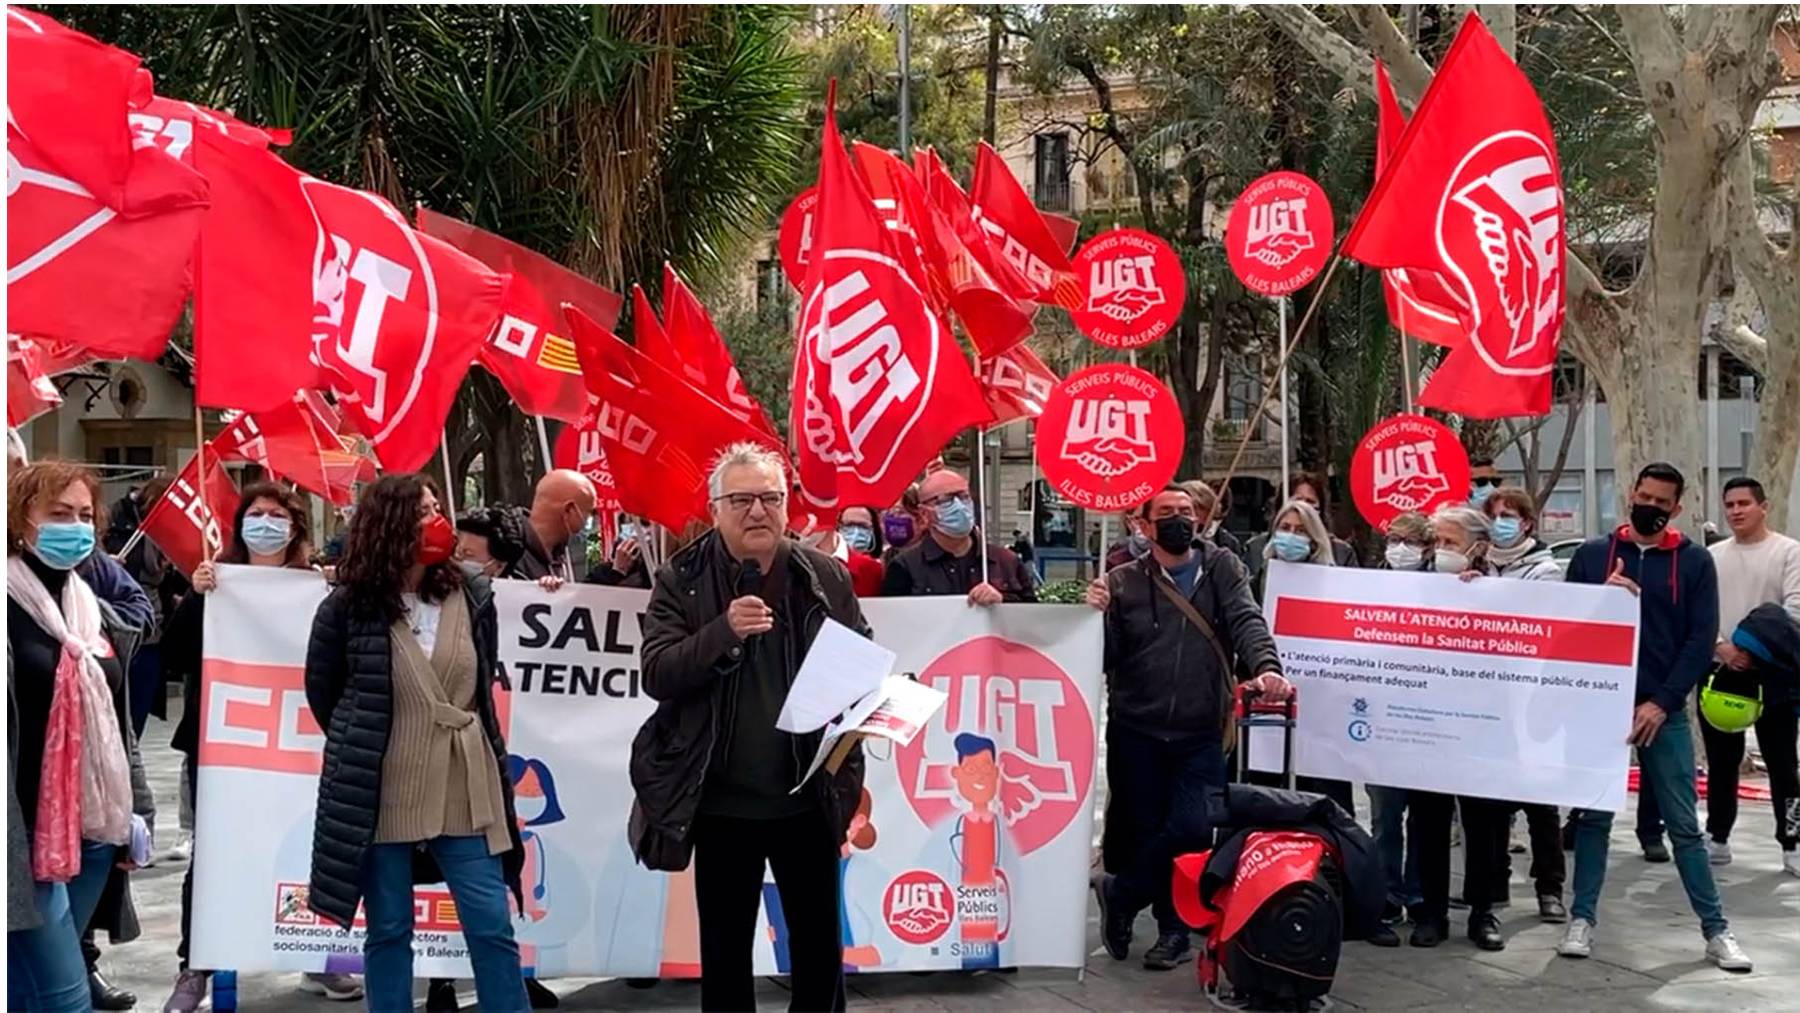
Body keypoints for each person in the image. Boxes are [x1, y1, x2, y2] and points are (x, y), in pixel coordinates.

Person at [633, 442, 870, 1012]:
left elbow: (860, 657)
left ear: (788, 507)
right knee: (726, 954)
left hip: (808, 799)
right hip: (720, 804)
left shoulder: (824, 576)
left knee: (818, 953)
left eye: (770, 498)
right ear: (714, 508)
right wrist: (722, 631)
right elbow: (658, 672)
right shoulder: (682, 577)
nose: (757, 511)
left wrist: (882, 698)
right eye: (741, 500)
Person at [304, 474, 530, 1012]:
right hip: (384, 792)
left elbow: (480, 681)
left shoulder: (472, 593)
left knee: (491, 924)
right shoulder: (346, 608)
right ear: (388, 527)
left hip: (465, 786)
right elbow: (326, 695)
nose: (436, 522)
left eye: (436, 508)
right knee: (389, 929)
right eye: (421, 513)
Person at [156, 483, 363, 1010]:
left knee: (304, 848)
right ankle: (196, 965)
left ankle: (318, 957)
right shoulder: (215, 580)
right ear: (239, 523)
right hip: (225, 744)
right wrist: (196, 598)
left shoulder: (315, 586)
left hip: (301, 743)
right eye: (256, 513)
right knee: (215, 854)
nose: (266, 523)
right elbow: (175, 656)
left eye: (277, 515)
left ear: (295, 530)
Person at [1086, 484, 1291, 971]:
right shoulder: (1120, 580)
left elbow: (1246, 620)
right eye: (1168, 513)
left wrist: (1266, 666)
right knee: (1145, 828)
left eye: (1187, 511)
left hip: (1201, 727)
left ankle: (1124, 894)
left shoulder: (1223, 566)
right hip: (1137, 727)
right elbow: (1105, 658)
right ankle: (1170, 930)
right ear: (1144, 525)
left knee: (1195, 828)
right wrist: (1094, 617)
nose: (1180, 520)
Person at [1557, 463, 1750, 971]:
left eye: (1662, 502)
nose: (1651, 506)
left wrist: (1661, 703)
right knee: (1595, 819)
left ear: (1676, 509)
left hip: (1664, 714)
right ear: (1631, 494)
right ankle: (1583, 919)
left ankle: (1717, 930)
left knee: (1684, 827)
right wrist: (1604, 603)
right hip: (1602, 710)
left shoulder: (1693, 563)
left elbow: (1699, 637)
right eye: (1644, 496)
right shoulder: (1594, 555)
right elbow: (1565, 627)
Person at [7, 461, 156, 1013]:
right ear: (23, 519)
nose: (75, 526)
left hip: (94, 833)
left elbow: (119, 728)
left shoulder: (93, 611)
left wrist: (137, 814)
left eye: (85, 515)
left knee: (28, 991)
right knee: (65, 997)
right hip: (22, 838)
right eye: (59, 513)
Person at [1476, 487, 1570, 925]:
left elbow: (1534, 620)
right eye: (1494, 516)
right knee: (1491, 802)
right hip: (1488, 702)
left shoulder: (1545, 571)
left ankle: (1550, 887)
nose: (1501, 523)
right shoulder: (1477, 566)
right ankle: (1493, 888)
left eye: (1510, 516)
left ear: (1528, 523)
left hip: (1534, 699)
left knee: (1540, 801)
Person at [1701, 476, 1800, 872]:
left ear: (1764, 506)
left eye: (1743, 503)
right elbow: (1700, 613)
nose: (1736, 511)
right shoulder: (1711, 557)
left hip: (1774, 673)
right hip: (1721, 669)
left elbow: (1794, 610)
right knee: (1722, 762)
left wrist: (1754, 649)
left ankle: (1792, 843)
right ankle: (1718, 837)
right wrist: (1723, 647)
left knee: (1783, 763)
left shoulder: (1789, 552)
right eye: (1729, 505)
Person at [1252, 499, 1356, 818]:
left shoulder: (1336, 585)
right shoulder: (1259, 579)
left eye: (1300, 530)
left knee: (1325, 794)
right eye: (1285, 528)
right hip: (1269, 706)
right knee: (1269, 790)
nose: (1291, 536)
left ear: (1314, 539)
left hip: (1324, 710)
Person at [1364, 510, 1434, 947]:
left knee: (1425, 819)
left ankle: (1419, 894)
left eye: (1410, 541)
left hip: (1429, 723)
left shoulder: (1445, 588)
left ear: (1427, 548)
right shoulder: (1369, 587)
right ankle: (1387, 894)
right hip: (1383, 722)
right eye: (1393, 540)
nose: (1400, 549)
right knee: (1384, 817)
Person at [880, 469, 1035, 603]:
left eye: (964, 496)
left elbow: (1032, 618)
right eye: (946, 499)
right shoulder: (905, 566)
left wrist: (1002, 600)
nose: (959, 505)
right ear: (924, 512)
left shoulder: (1006, 561)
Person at [515, 469, 599, 581]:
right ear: (569, 510)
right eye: (590, 512)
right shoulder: (508, 552)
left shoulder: (559, 555)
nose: (589, 519)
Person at [829, 505, 885, 597]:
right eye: (849, 525)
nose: (856, 531)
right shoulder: (827, 562)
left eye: (863, 526)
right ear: (839, 526)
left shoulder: (875, 570)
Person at [879, 485, 923, 563]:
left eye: (899, 512)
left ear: (921, 519)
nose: (893, 518)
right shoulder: (887, 558)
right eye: (889, 513)